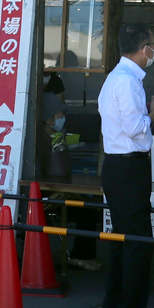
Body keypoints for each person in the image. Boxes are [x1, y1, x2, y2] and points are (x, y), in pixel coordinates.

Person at [98, 22, 154, 308]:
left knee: (122, 241)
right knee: (139, 244)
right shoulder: (128, 81)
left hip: (117, 167)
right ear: (144, 50)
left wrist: (148, 114)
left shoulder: (117, 77)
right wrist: (152, 115)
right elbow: (135, 129)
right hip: (129, 168)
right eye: (152, 46)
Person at [36, 92, 100, 270]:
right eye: (59, 116)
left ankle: (82, 255)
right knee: (86, 208)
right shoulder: (39, 139)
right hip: (46, 194)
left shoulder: (55, 135)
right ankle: (81, 256)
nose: (63, 119)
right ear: (48, 119)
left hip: (57, 189)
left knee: (89, 205)